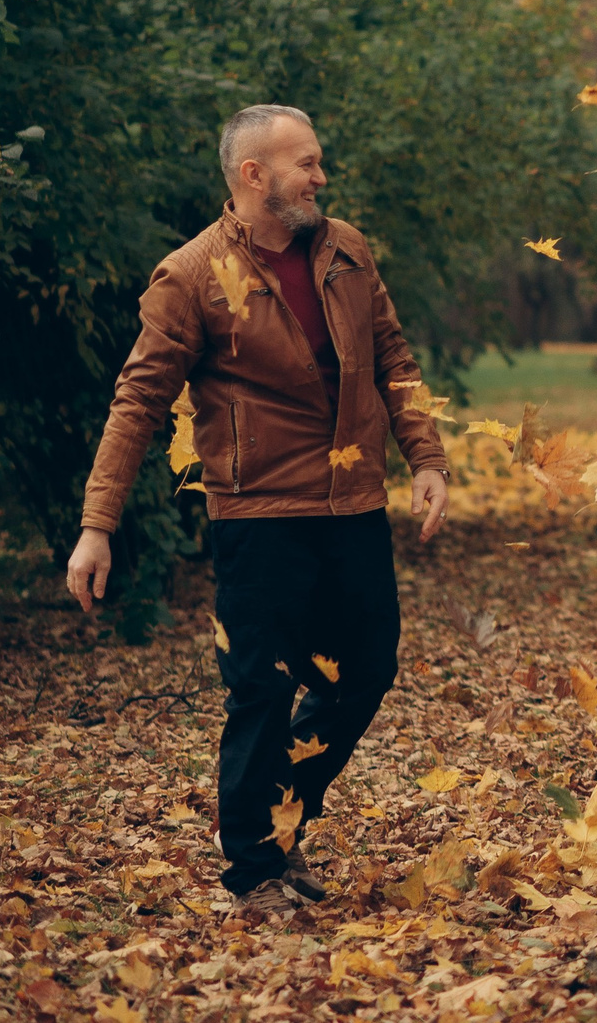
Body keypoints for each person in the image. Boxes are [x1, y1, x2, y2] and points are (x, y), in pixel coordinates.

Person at [65, 104, 450, 905]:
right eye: (305, 163)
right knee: (263, 688)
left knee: (365, 671)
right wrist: (97, 524)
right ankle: (253, 868)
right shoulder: (192, 275)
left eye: (317, 161)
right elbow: (138, 401)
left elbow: (393, 356)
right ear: (253, 174)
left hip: (352, 501)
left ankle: (278, 823)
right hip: (259, 513)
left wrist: (426, 456)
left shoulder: (346, 249)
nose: (320, 176)